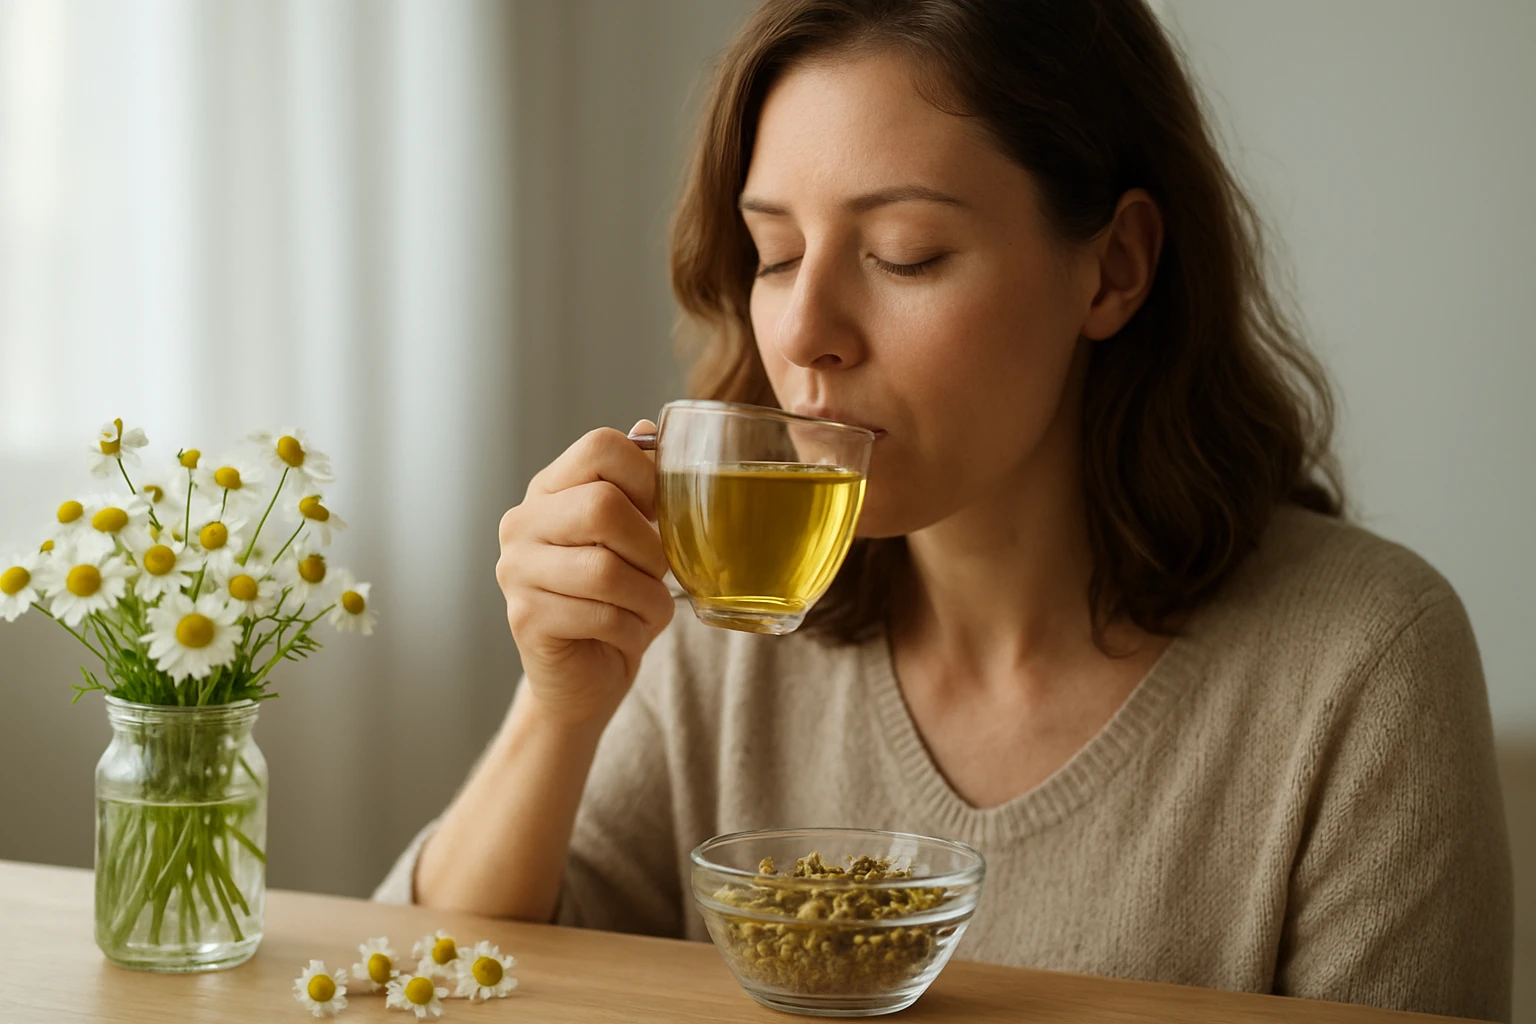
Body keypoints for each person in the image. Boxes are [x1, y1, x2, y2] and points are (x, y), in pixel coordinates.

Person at [376, 0, 1513, 1017]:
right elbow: (426, 986)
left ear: (1113, 268)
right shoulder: (736, 632)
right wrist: (559, 707)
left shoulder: (1364, 664)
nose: (807, 329)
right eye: (774, 253)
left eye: (904, 255)